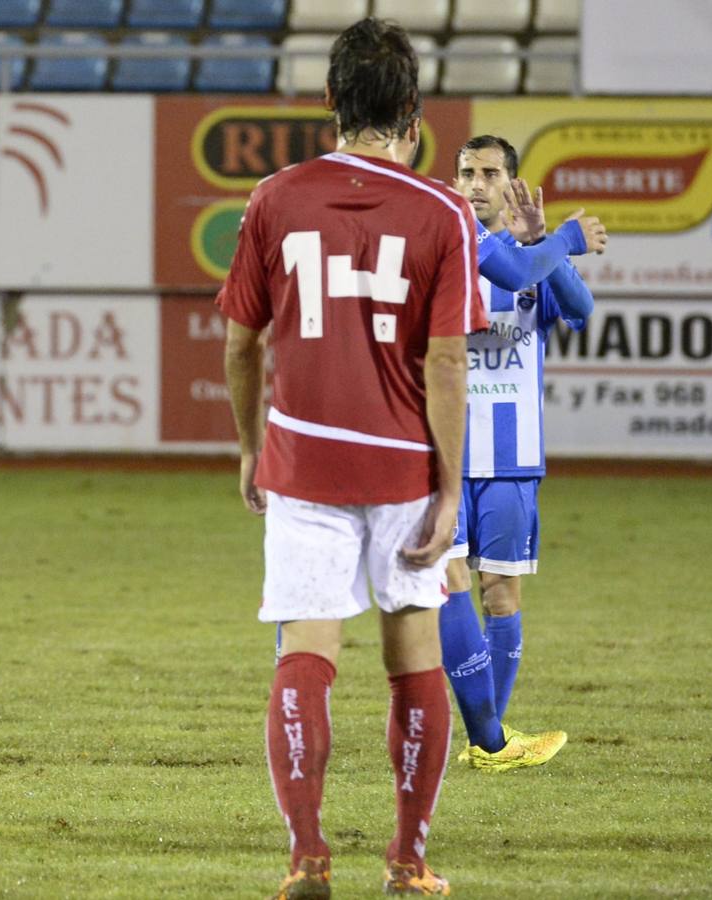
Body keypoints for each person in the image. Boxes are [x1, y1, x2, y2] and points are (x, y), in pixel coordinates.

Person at [220, 19, 487, 898]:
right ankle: (408, 863)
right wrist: (451, 489)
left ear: (329, 101)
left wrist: (254, 445)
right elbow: (446, 362)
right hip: (404, 465)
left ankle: (308, 855)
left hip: (305, 461)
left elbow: (240, 343)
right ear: (412, 110)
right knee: (413, 656)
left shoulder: (274, 197)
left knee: (305, 651)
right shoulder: (444, 210)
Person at [438, 135, 596, 771]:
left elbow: (581, 307)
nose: (477, 184)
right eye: (467, 173)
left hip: (511, 457)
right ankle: (489, 740)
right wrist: (551, 241)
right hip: (444, 454)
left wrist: (544, 245)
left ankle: (488, 739)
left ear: (512, 183)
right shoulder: (447, 249)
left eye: (490, 173)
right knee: (445, 591)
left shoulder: (528, 257)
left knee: (499, 594)